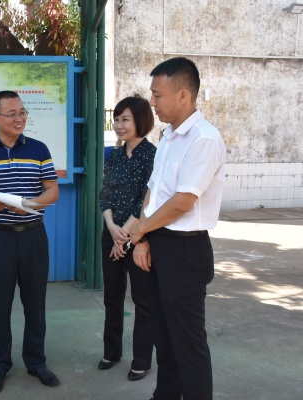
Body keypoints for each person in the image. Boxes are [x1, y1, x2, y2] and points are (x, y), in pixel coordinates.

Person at [129, 57, 226, 400]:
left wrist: (140, 230)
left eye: (157, 95)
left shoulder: (204, 139)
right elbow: (154, 192)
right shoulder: (169, 136)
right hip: (158, 242)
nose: (152, 102)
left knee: (188, 344)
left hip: (185, 250)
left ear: (183, 95)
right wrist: (143, 238)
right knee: (164, 338)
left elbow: (183, 202)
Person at [0, 90, 60, 393]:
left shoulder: (38, 149)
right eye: (12, 114)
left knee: (35, 303)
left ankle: (36, 362)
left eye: (22, 112)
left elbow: (52, 190)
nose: (19, 119)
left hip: (33, 236)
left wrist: (31, 203)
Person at [98, 96, 156, 381]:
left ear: (140, 121)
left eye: (125, 120)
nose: (119, 125)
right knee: (112, 295)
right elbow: (105, 193)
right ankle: (111, 351)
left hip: (140, 237)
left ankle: (142, 359)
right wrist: (112, 228)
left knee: (143, 299)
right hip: (112, 233)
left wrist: (127, 235)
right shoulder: (115, 155)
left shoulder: (153, 155)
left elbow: (147, 198)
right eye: (117, 119)